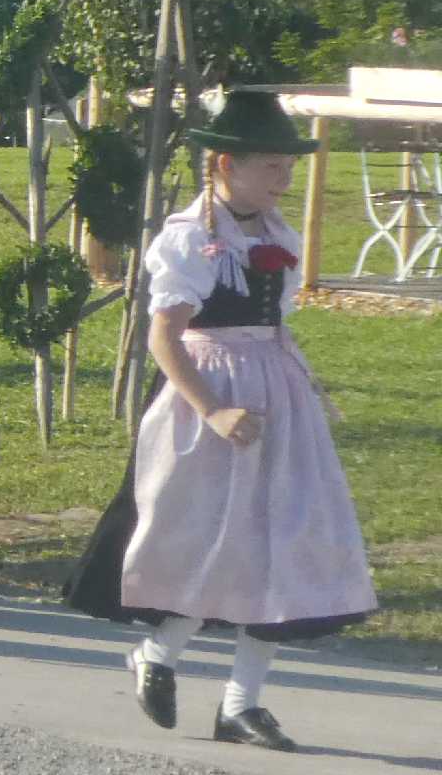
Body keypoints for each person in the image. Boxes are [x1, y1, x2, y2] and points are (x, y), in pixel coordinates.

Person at [64, 91, 373, 753]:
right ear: (226, 164)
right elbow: (163, 339)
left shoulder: (274, 232)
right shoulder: (191, 239)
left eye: (288, 166)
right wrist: (213, 408)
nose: (283, 179)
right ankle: (158, 651)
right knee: (209, 537)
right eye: (271, 166)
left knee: (282, 540)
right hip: (208, 393)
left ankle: (242, 703)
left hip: (275, 394)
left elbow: (274, 319)